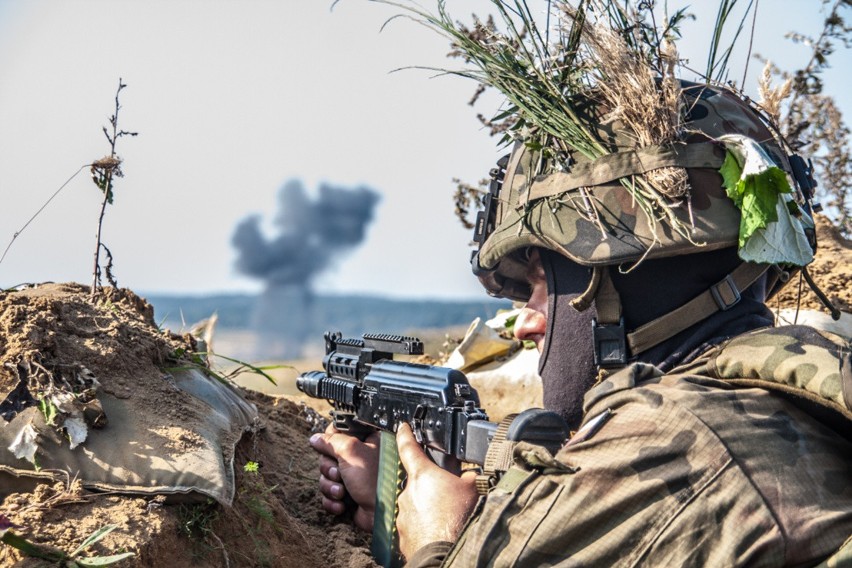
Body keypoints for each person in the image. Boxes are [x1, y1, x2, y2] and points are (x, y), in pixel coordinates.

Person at [310, 82, 852, 566]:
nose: (525, 324)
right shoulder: (797, 390)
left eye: (543, 283)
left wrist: (436, 537)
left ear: (623, 280)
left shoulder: (667, 442)